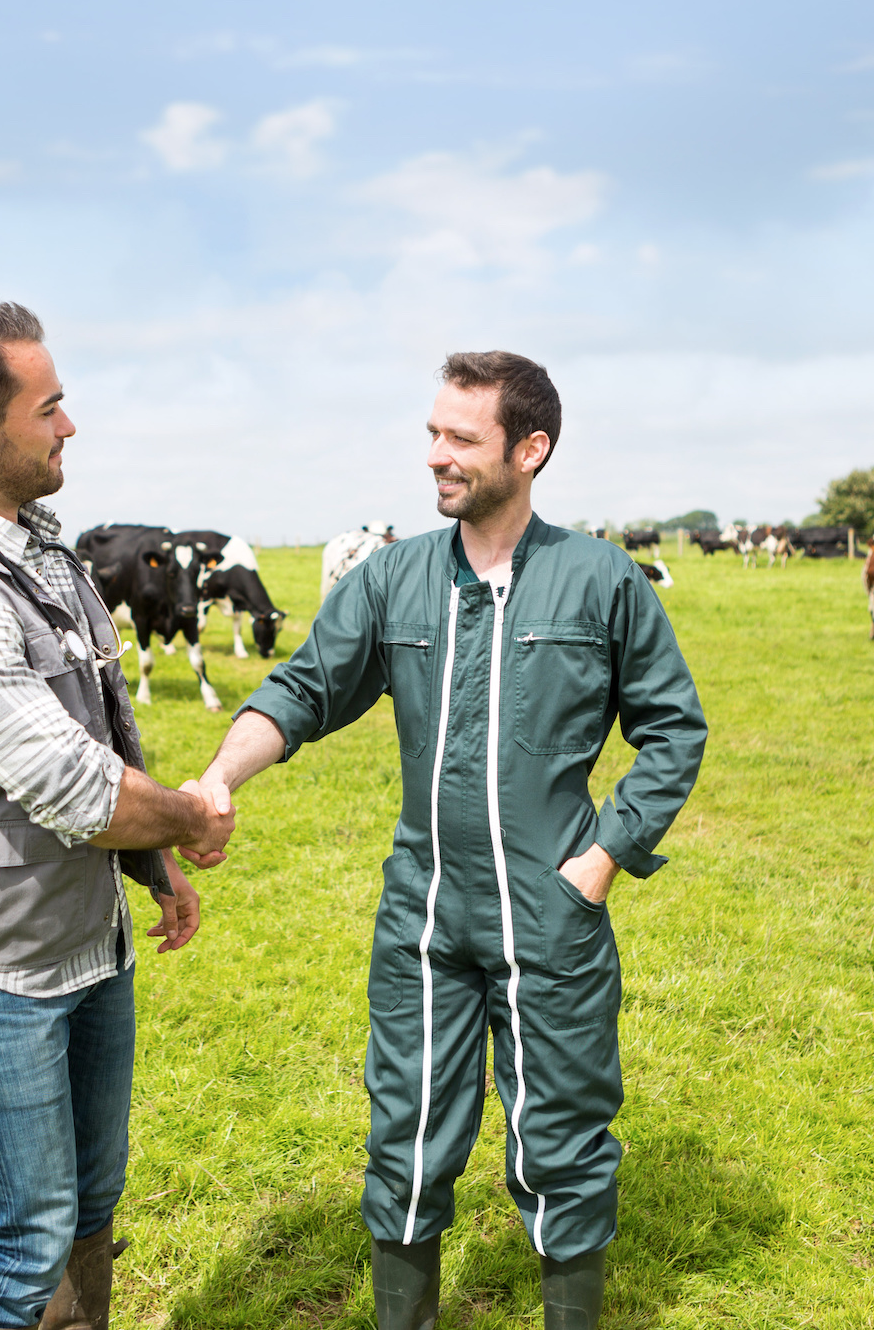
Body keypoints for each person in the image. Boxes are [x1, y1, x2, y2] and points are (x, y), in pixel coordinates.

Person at [189, 352, 706, 1330]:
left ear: (530, 449)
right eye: (431, 434)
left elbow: (673, 728)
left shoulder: (599, 580)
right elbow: (303, 689)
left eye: (459, 439)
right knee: (408, 1131)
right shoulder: (393, 579)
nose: (434, 456)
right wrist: (221, 773)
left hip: (552, 916)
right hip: (423, 915)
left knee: (561, 1139)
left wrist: (602, 858)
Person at [0, 300, 233, 1330]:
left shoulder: (45, 554)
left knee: (90, 1213)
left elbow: (102, 725)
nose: (69, 425)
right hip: (0, 972)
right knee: (24, 1243)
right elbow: (71, 784)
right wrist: (187, 819)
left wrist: (151, 868)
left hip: (89, 945)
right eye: (51, 405)